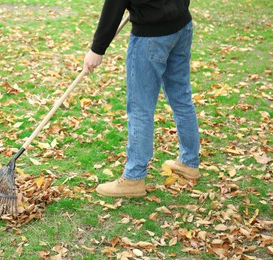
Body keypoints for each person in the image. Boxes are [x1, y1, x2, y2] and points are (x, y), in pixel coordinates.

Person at [83, 0, 201, 198]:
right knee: (181, 98)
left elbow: (114, 4)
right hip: (181, 25)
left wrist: (97, 49)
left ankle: (134, 178)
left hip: (151, 37)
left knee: (140, 107)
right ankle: (189, 163)